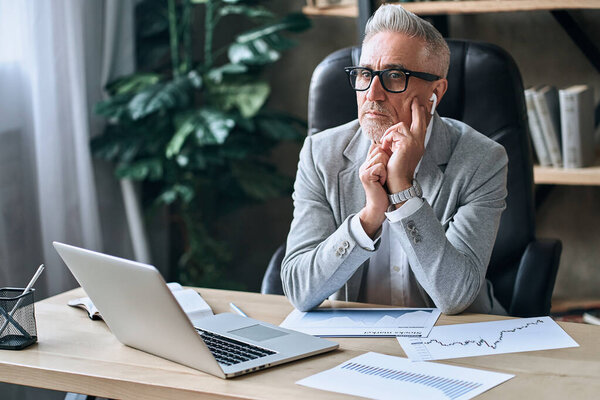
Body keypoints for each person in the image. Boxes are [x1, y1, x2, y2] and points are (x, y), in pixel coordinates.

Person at [281, 4, 509, 315]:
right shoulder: (321, 155)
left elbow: (456, 296)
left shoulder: (482, 160)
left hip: (454, 340)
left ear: (435, 93)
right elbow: (298, 289)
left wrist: (403, 192)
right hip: (354, 342)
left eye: (393, 75)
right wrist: (370, 217)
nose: (372, 93)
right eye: (364, 73)